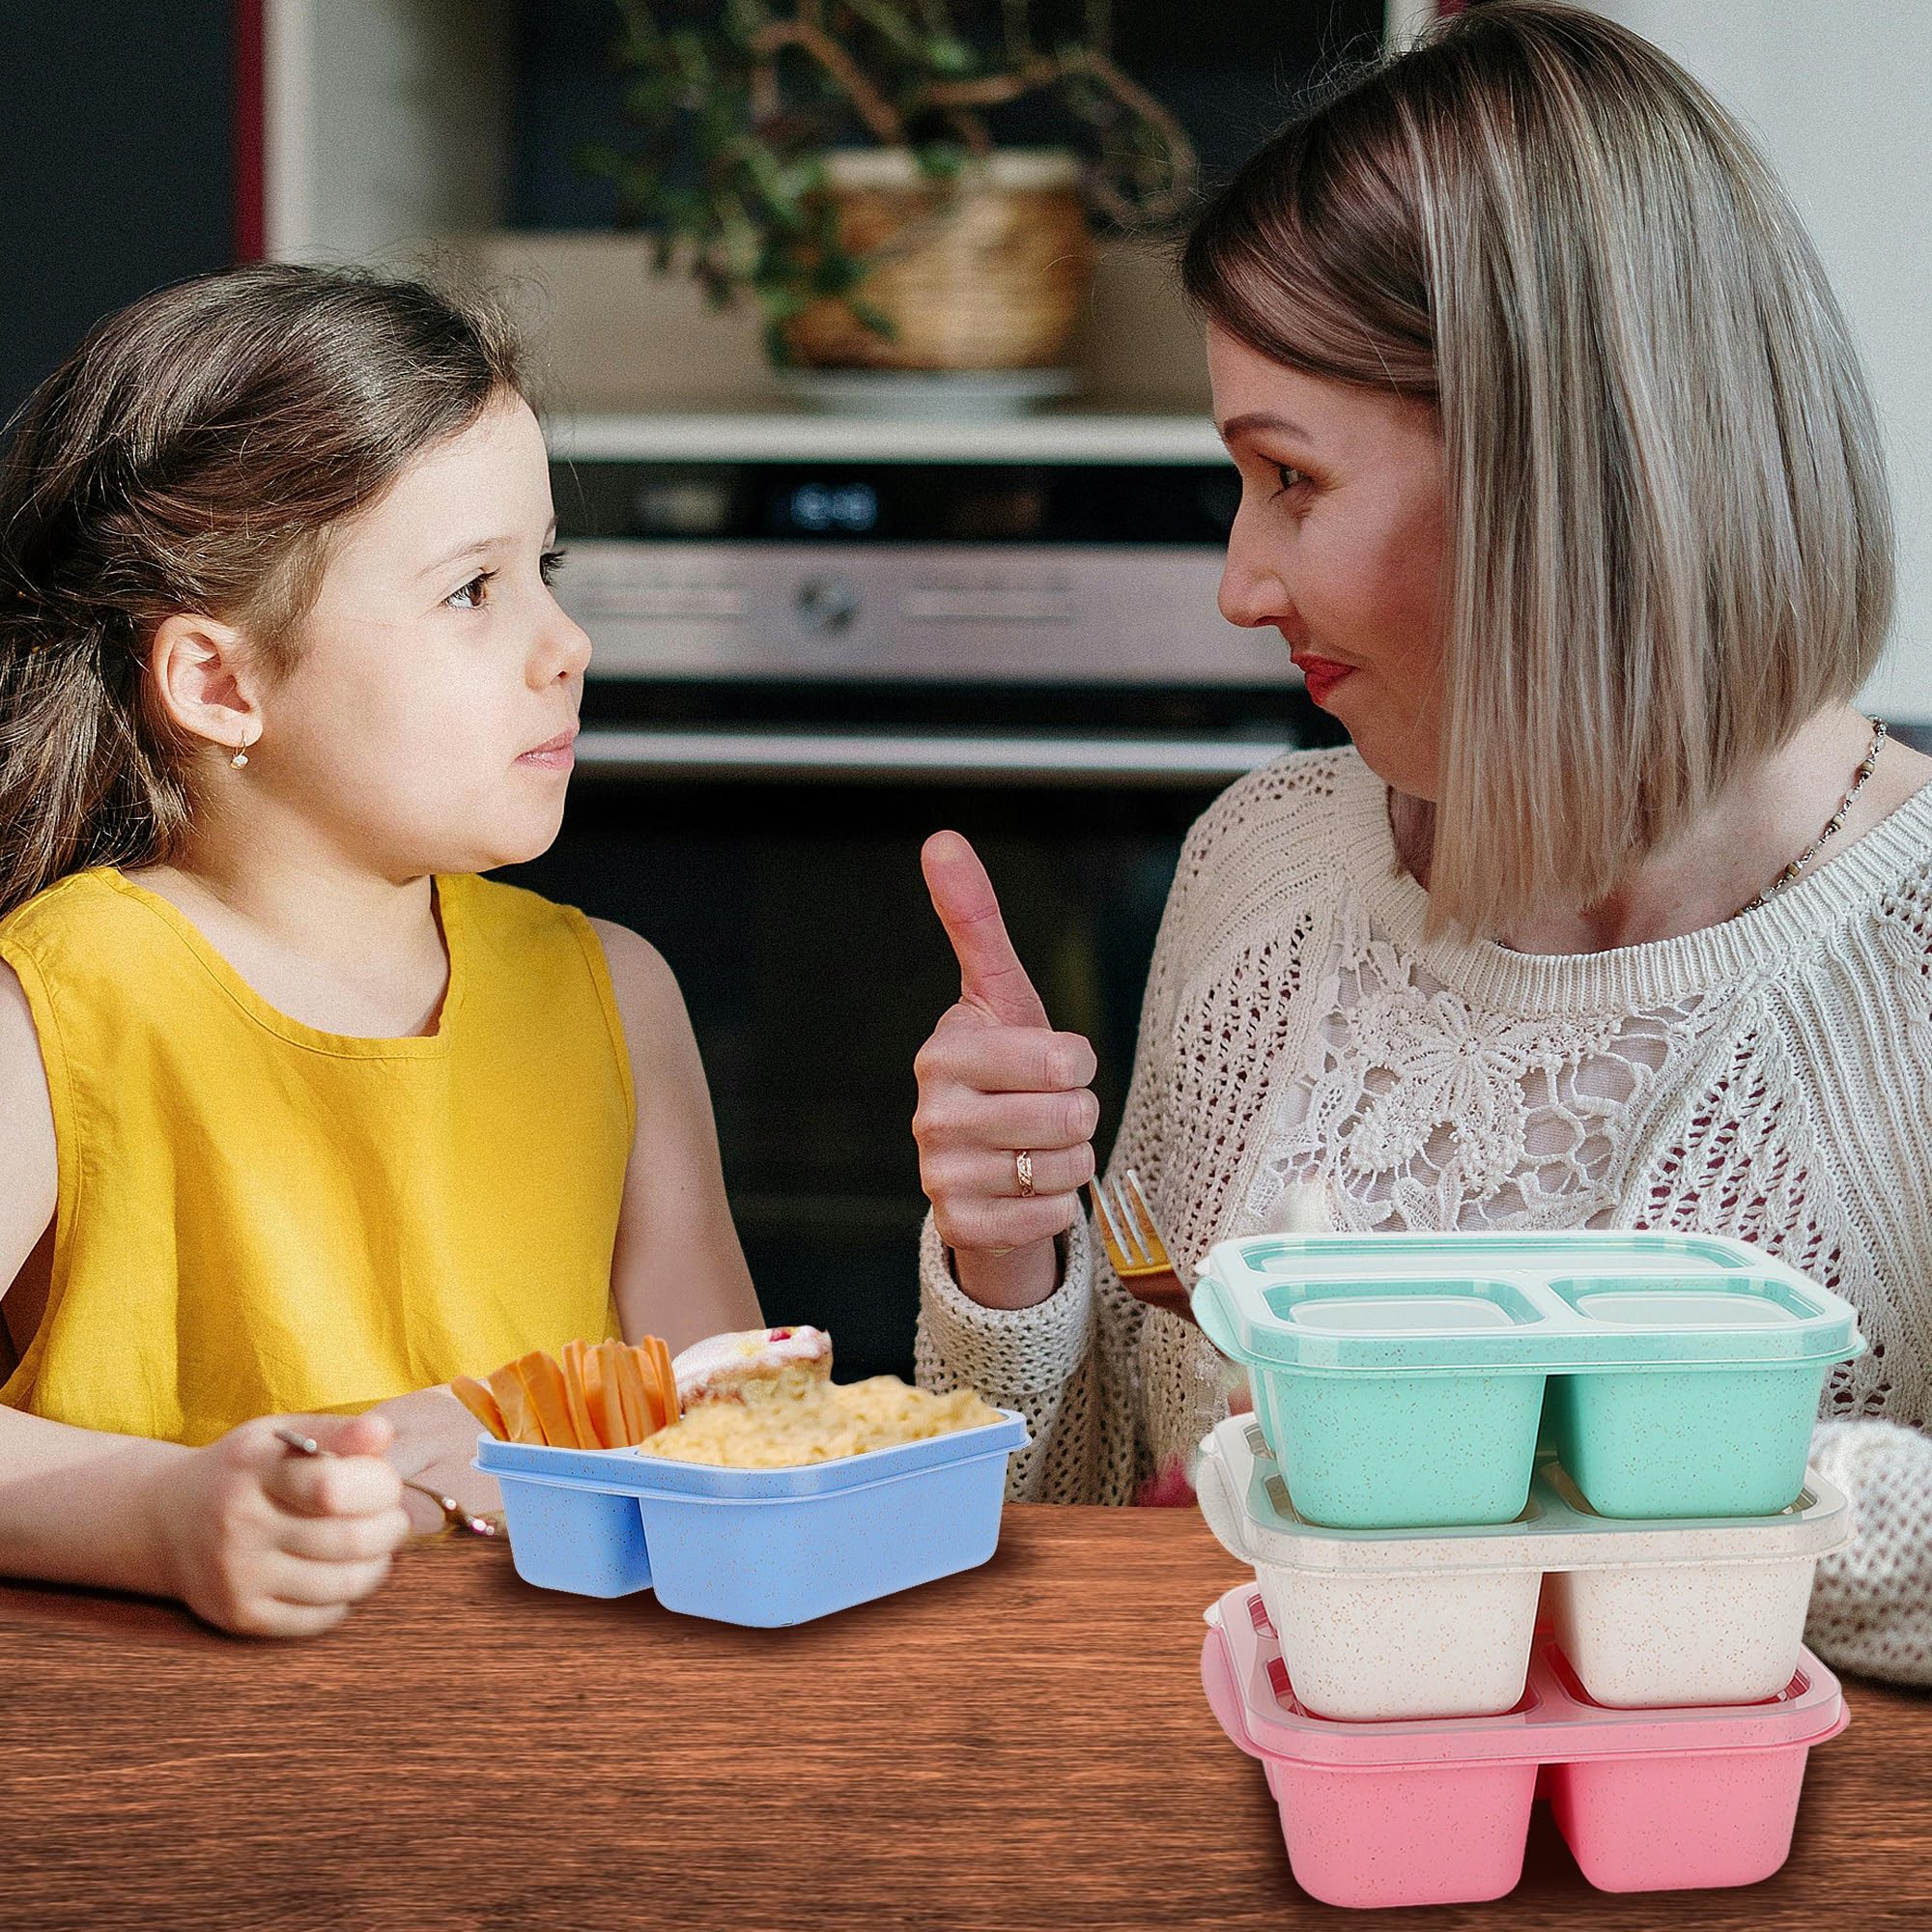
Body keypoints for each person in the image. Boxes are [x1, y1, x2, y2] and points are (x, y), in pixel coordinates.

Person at [910, 0, 1932, 1684]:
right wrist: (1010, 1268)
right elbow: (1101, 1526)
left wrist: (1509, 1467)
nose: (1242, 585)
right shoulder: (1266, 872)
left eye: (1291, 480)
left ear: (1562, 475)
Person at [0, 264, 761, 1636]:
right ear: (220, 684)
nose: (567, 642)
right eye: (474, 589)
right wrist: (169, 1517)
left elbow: (741, 1427)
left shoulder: (614, 996)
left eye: (548, 570)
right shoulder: (55, 1008)